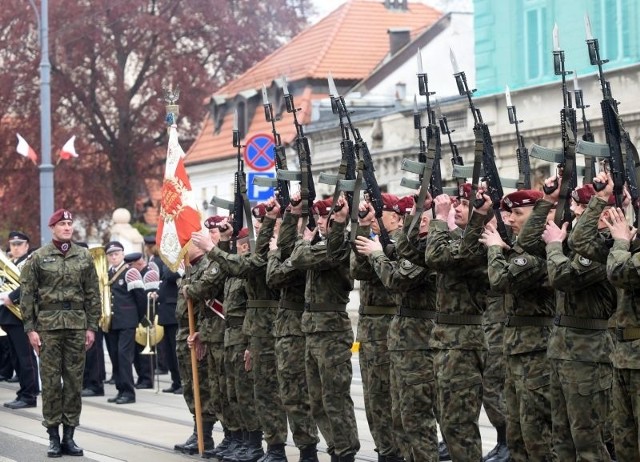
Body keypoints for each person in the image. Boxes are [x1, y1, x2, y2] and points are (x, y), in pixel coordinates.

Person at [480, 189, 555, 461]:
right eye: (508, 212)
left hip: (537, 351)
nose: (509, 219)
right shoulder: (516, 247)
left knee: (538, 435)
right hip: (516, 349)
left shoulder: (539, 252)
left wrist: (494, 250)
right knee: (517, 433)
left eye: (517, 213)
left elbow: (500, 280)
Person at [20, 209, 101, 457]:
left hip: (77, 326)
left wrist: (91, 326)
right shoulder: (38, 258)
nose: (67, 227)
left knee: (75, 383)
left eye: (69, 223)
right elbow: (27, 295)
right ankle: (53, 436)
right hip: (48, 328)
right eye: (62, 224)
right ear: (52, 228)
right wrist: (30, 329)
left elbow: (92, 293)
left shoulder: (84, 256)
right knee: (52, 383)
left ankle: (70, 436)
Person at [290, 193, 360, 461]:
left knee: (335, 399)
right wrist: (292, 217)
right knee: (317, 400)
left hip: (332, 331)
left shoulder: (338, 245)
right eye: (318, 216)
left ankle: (345, 452)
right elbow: (292, 252)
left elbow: (297, 258)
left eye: (325, 215)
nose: (320, 221)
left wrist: (307, 240)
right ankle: (334, 448)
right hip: (313, 330)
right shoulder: (320, 244)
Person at [1, 231, 40, 409]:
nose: (15, 248)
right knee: (16, 358)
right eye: (12, 244)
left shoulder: (29, 263)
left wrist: (12, 297)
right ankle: (23, 392)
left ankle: (30, 395)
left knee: (26, 358)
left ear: (26, 245)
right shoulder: (10, 264)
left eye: (19, 244)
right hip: (8, 316)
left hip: (22, 317)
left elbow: (30, 284)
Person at [104, 241, 146, 405]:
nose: (114, 257)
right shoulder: (108, 273)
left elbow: (140, 298)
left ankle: (129, 392)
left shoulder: (130, 272)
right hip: (113, 322)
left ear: (122, 254)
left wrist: (136, 319)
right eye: (111, 254)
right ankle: (121, 389)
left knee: (123, 356)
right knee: (115, 356)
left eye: (116, 254)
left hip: (127, 321)